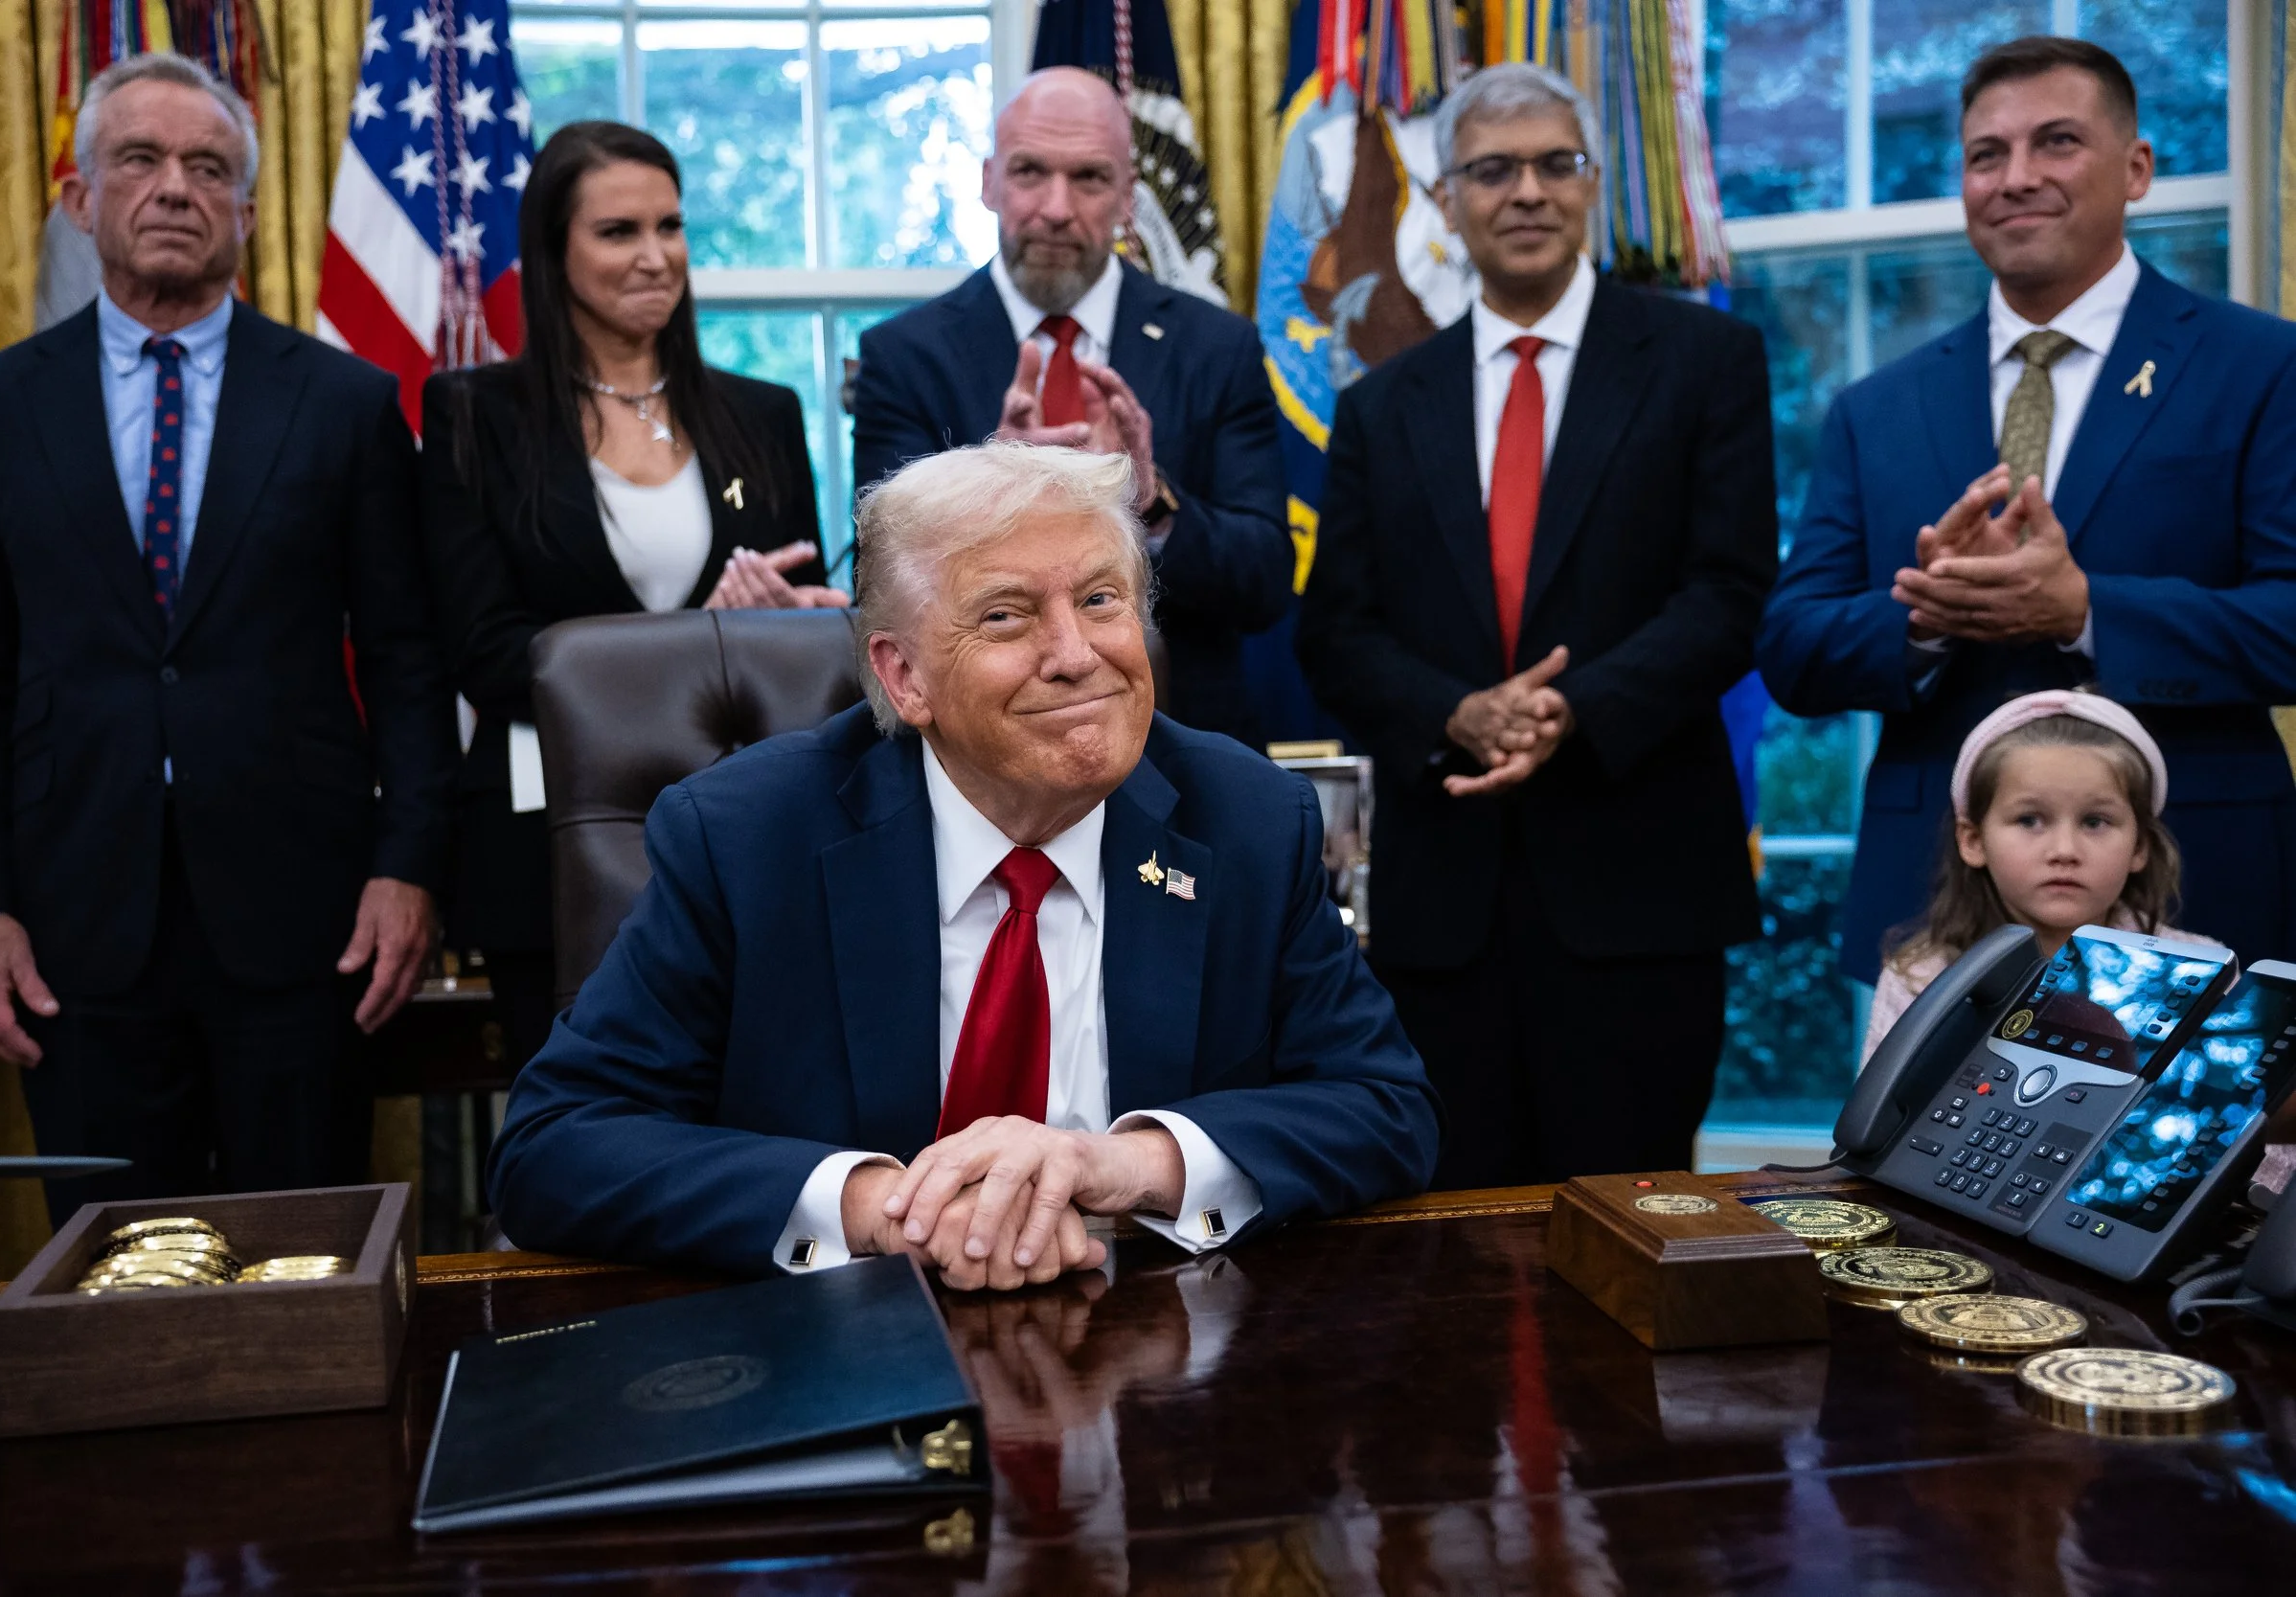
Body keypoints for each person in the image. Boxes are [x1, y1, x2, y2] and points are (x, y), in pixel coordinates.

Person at [486, 442, 1440, 1285]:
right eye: (1006, 617)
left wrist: (1133, 1161)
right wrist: (878, 1206)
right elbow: (554, 1146)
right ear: (904, 677)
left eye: (1102, 599)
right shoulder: (748, 835)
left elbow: (1385, 1106)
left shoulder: (1242, 818)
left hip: (1160, 1384)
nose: (1076, 655)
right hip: (837, 1370)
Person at [0, 54, 453, 1218]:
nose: (174, 187)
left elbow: (410, 660)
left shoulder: (346, 404)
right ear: (80, 197)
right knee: (114, 1276)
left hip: (307, 920)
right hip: (73, 923)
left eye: (207, 166)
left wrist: (406, 864)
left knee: (306, 1259)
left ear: (248, 215)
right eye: (140, 160)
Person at [1293, 63, 1778, 1190]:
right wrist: (1457, 711)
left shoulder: (1706, 361)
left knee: (1631, 1236)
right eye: (1492, 169)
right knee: (1453, 1257)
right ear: (1446, 197)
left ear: (1593, 184)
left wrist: (1574, 708)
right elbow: (1336, 633)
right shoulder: (1376, 401)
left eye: (1554, 164)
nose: (1526, 192)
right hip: (1441, 910)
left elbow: (1730, 592)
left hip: (1639, 887)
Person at [1760, 35, 2296, 988]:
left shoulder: (2259, 368)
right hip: (1936, 915)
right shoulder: (1876, 408)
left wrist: (2087, 611)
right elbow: (1793, 648)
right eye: (1984, 155)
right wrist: (1924, 618)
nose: (2015, 178)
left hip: (2193, 890)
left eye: (2055, 142)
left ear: (2136, 168)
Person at [421, 120, 840, 1066]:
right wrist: (705, 641)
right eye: (618, 232)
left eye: (672, 225)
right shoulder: (474, 417)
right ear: (552, 252)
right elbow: (485, 651)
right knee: (586, 1129)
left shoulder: (762, 414)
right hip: (550, 841)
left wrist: (788, 625)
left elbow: (806, 638)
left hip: (749, 834)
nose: (656, 257)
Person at [851, 66, 1290, 745]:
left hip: (1184, 749)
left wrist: (1151, 501)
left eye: (1088, 178)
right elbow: (882, 586)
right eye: (1030, 173)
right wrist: (992, 485)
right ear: (990, 182)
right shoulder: (906, 356)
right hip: (975, 753)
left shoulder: (1217, 346)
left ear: (1126, 196)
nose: (1056, 207)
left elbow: (1263, 584)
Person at [1863, 690, 2202, 1057]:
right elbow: (1876, 1114)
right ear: (1973, 840)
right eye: (2029, 820)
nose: (2064, 851)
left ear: (2140, 847)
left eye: (2095, 822)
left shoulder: (2196, 971)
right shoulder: (1921, 980)